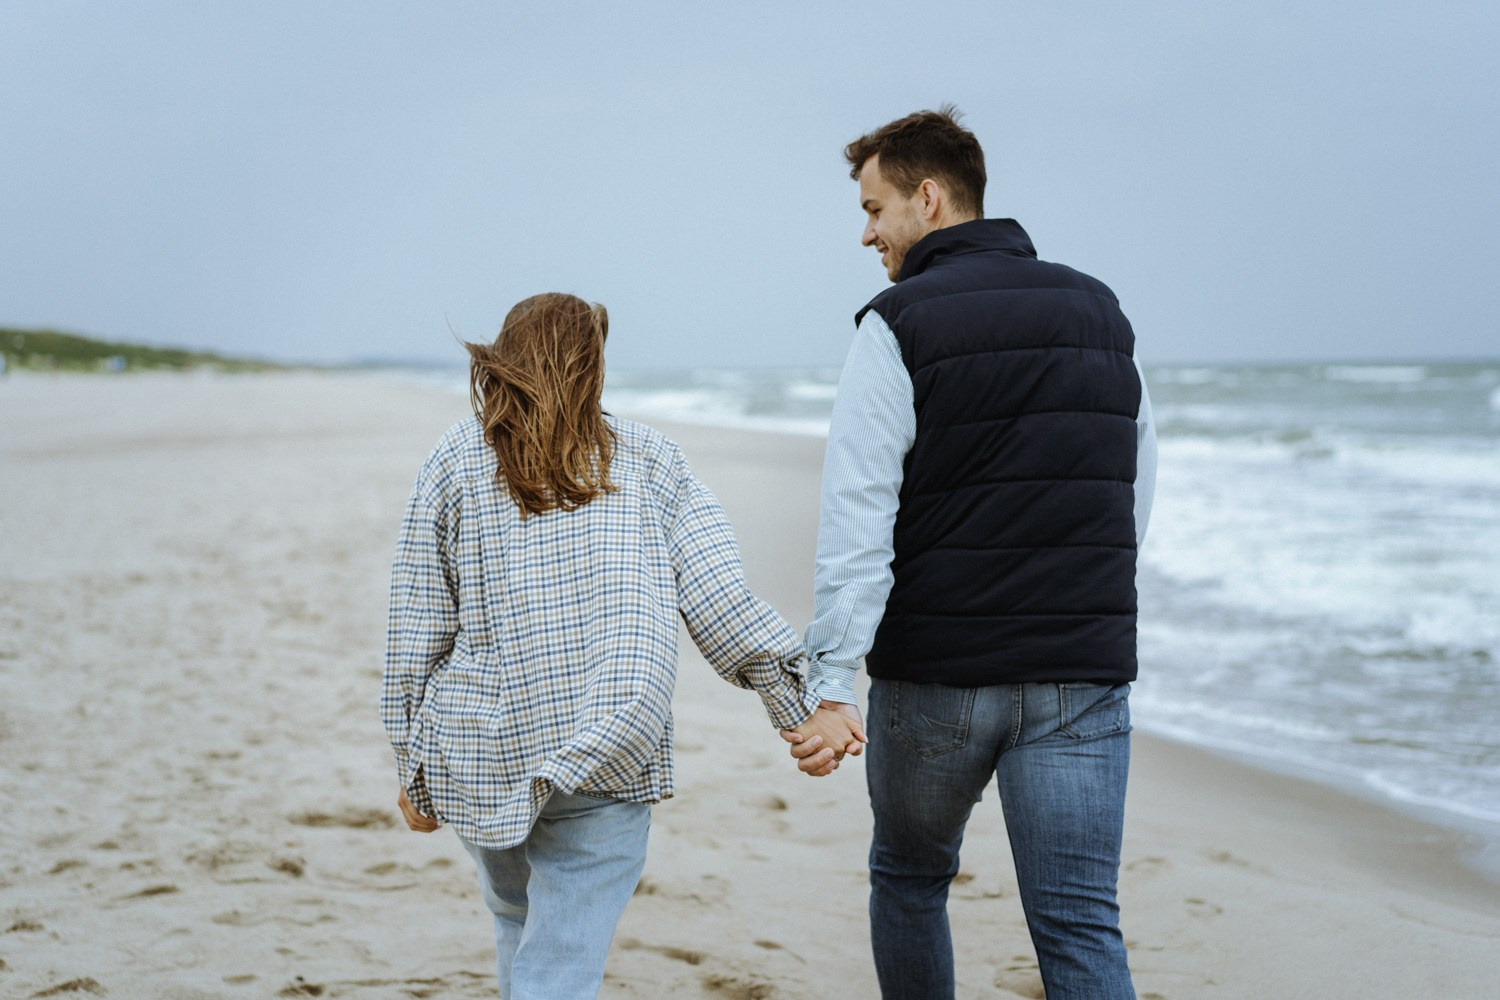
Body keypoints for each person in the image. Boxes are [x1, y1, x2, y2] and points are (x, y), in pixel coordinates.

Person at [381, 292, 864, 1000]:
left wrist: (412, 762)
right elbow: (720, 602)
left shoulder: (454, 459)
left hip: (482, 748)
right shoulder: (649, 460)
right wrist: (802, 705)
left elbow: (416, 624)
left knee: (517, 919)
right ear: (594, 367)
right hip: (607, 743)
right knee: (563, 957)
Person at [782, 108, 1157, 999]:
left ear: (929, 197)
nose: (865, 233)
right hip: (1078, 675)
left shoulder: (896, 321)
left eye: (875, 210)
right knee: (1078, 923)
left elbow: (859, 517)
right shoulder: (1100, 309)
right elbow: (1132, 490)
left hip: (936, 680)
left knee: (910, 881)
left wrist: (831, 681)